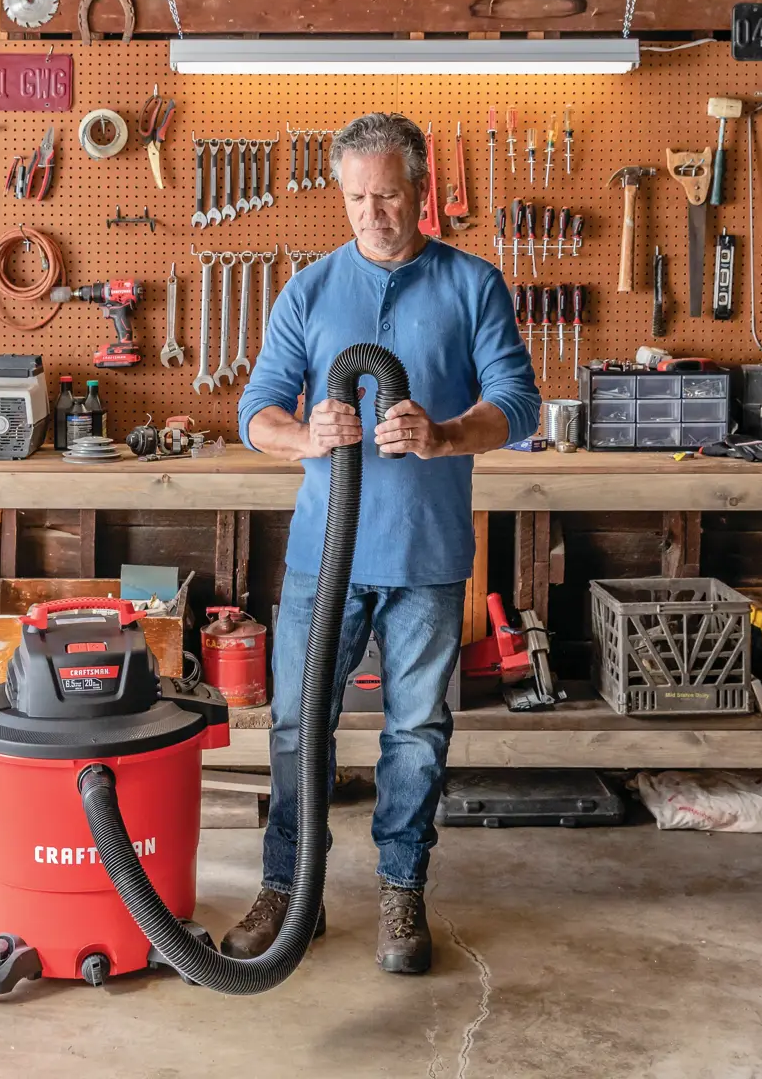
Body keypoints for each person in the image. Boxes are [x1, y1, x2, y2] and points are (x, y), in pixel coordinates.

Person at [231, 113, 540, 974]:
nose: (372, 214)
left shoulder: (473, 284)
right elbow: (256, 410)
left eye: (390, 196)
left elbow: (518, 403)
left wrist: (445, 434)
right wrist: (306, 433)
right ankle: (291, 889)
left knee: (416, 732)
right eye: (357, 198)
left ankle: (402, 892)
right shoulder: (308, 290)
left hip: (426, 557)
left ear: (423, 190)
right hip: (321, 560)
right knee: (298, 726)